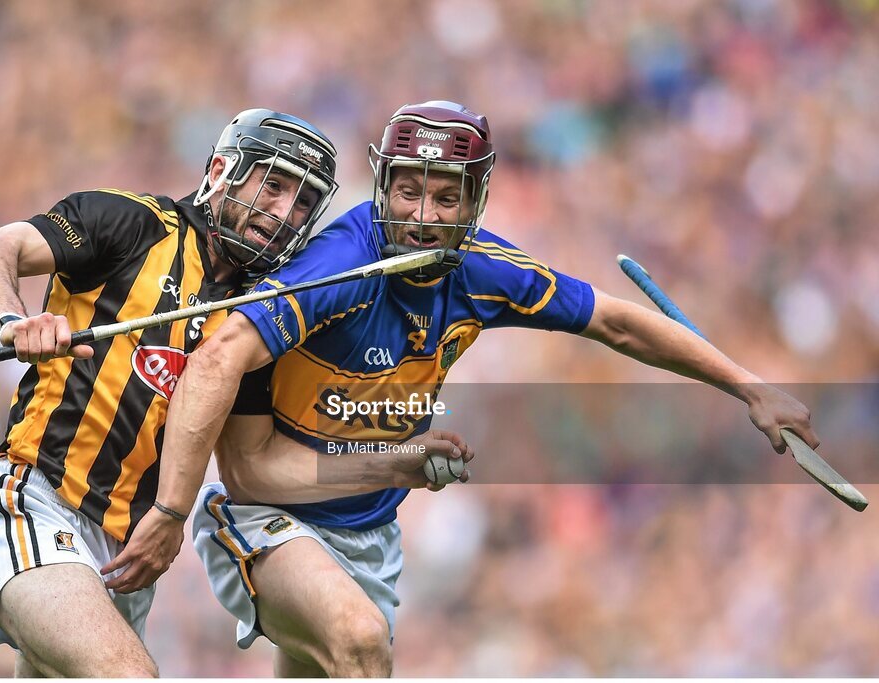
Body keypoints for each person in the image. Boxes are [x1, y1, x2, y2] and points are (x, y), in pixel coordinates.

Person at [124, 100, 820, 677]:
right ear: (383, 184)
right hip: (264, 514)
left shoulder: (487, 270)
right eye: (407, 189)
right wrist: (172, 509)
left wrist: (750, 386)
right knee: (361, 642)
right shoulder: (336, 265)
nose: (423, 214)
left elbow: (617, 323)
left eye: (444, 195)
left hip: (368, 530)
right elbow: (219, 364)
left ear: (476, 201)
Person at [0, 108, 340, 677]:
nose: (282, 212)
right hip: (36, 505)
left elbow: (251, 466)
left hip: (131, 560)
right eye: (273, 185)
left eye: (302, 201)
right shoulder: (132, 223)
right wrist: (13, 321)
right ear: (221, 170)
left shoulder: (259, 318)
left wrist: (385, 464)